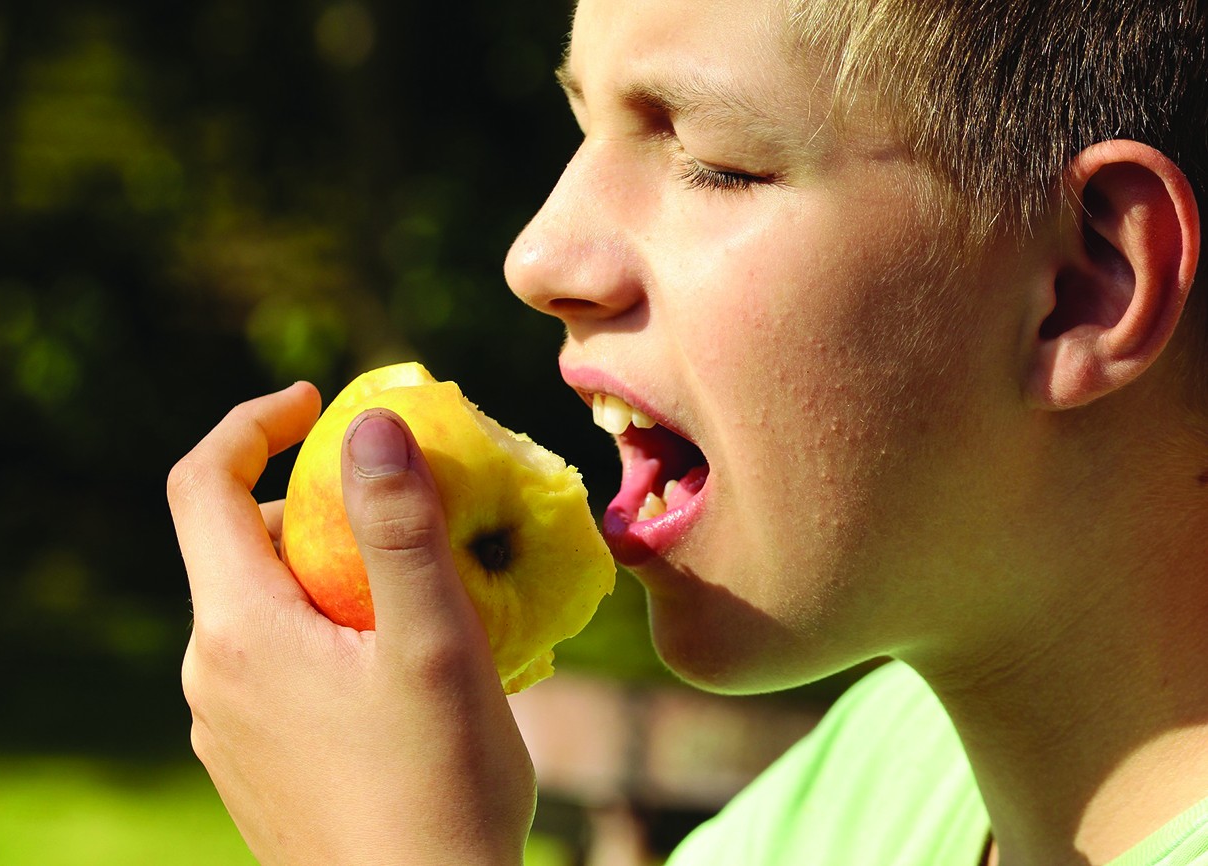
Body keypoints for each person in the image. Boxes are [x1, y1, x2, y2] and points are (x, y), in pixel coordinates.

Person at [167, 0, 1208, 863]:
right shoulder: (869, 787)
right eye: (584, 127)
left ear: (1081, 286)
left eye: (714, 160)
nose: (538, 257)